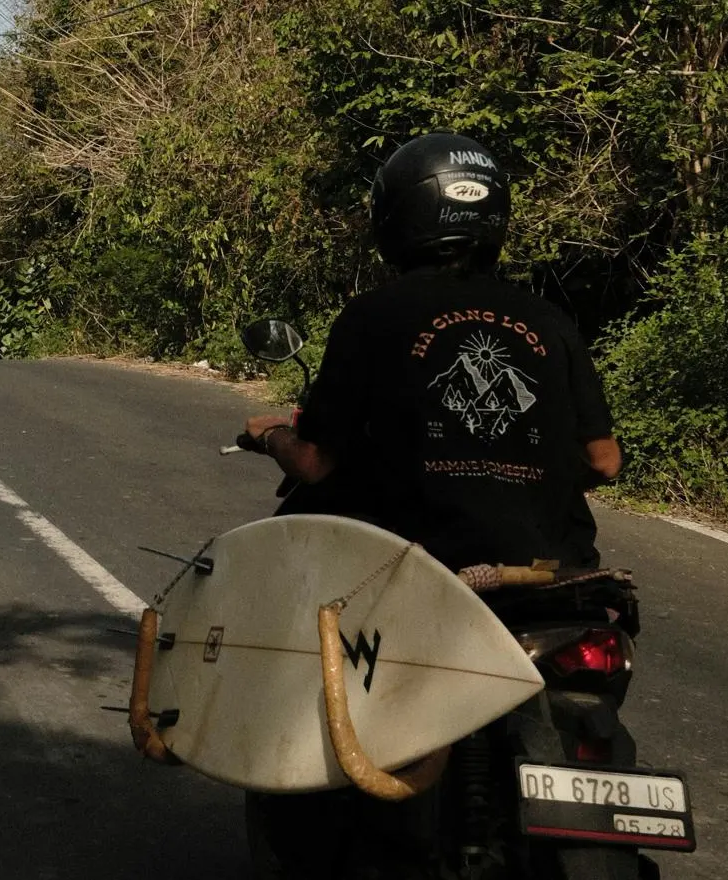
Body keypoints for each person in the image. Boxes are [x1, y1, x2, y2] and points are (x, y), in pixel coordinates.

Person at [244, 132, 621, 571]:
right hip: (552, 573)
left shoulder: (372, 315)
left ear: (395, 216)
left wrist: (270, 435)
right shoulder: (551, 320)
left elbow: (314, 463)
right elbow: (605, 460)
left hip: (419, 572)